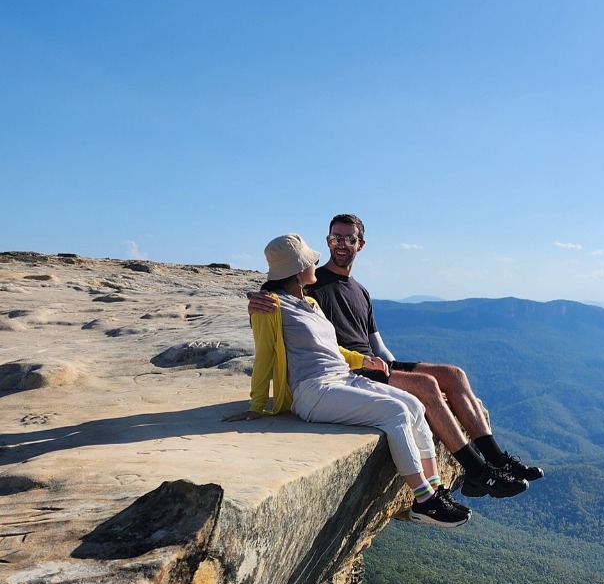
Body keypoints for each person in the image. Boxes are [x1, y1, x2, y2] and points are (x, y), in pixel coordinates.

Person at [249, 213, 543, 500]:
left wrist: (393, 368)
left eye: (348, 239)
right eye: (335, 238)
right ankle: (478, 471)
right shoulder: (314, 283)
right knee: (426, 386)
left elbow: (377, 342)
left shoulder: (360, 290)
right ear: (327, 242)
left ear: (360, 245)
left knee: (454, 375)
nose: (340, 244)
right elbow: (281, 295)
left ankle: (497, 459)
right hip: (350, 370)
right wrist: (256, 298)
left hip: (373, 363)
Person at [224, 233, 470, 528]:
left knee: (414, 405)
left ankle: (435, 489)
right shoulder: (271, 306)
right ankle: (423, 500)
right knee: (396, 413)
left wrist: (363, 360)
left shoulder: (311, 304)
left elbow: (332, 349)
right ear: (298, 269)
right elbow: (264, 355)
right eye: (310, 260)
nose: (316, 262)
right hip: (313, 391)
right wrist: (257, 404)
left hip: (343, 378)